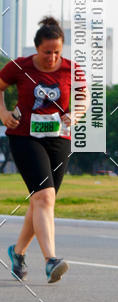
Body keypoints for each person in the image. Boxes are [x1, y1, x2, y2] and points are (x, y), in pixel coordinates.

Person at [0, 16, 84, 283]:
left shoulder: (72, 70)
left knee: (41, 201)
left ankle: (18, 251)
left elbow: (83, 100)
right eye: (47, 52)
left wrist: (77, 115)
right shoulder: (19, 67)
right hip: (25, 137)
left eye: (57, 52)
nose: (52, 57)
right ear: (36, 48)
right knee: (44, 198)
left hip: (59, 138)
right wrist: (2, 113)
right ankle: (51, 260)